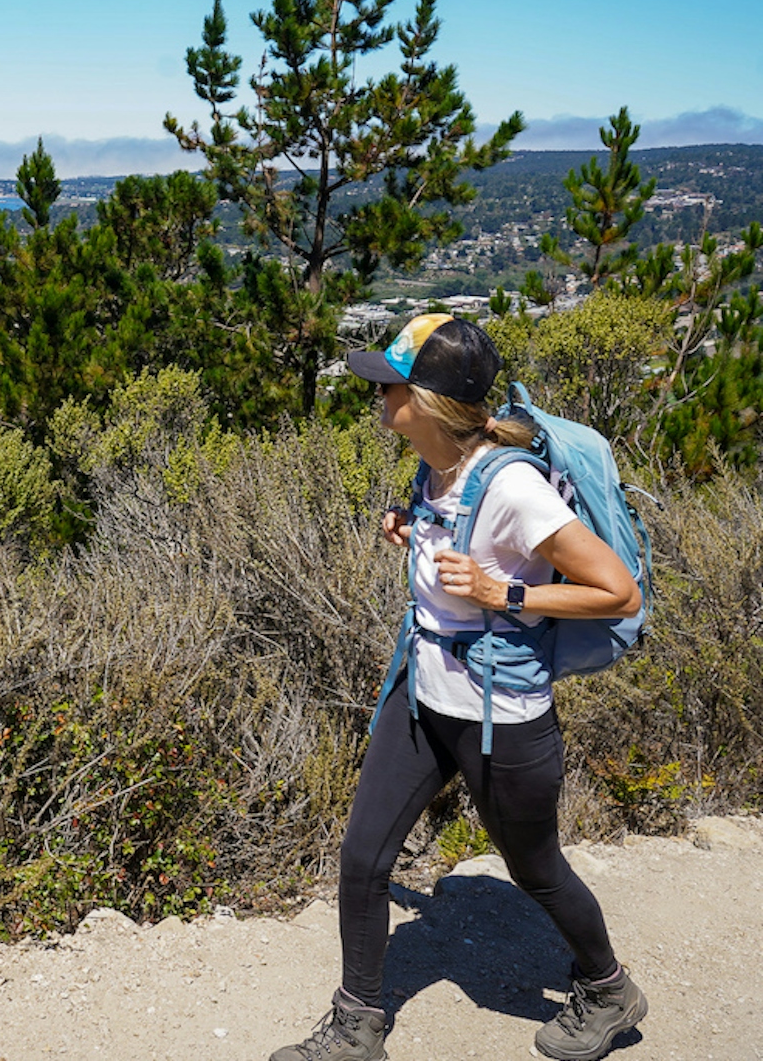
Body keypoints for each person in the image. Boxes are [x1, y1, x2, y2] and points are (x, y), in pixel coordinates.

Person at [269, 314, 648, 1061]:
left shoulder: (513, 489)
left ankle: (607, 989)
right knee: (363, 858)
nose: (378, 396)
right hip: (424, 696)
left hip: (499, 713)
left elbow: (618, 592)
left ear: (432, 402)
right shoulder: (431, 466)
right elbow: (453, 547)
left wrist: (500, 593)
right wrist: (414, 533)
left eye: (391, 385)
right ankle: (356, 1026)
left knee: (534, 867)